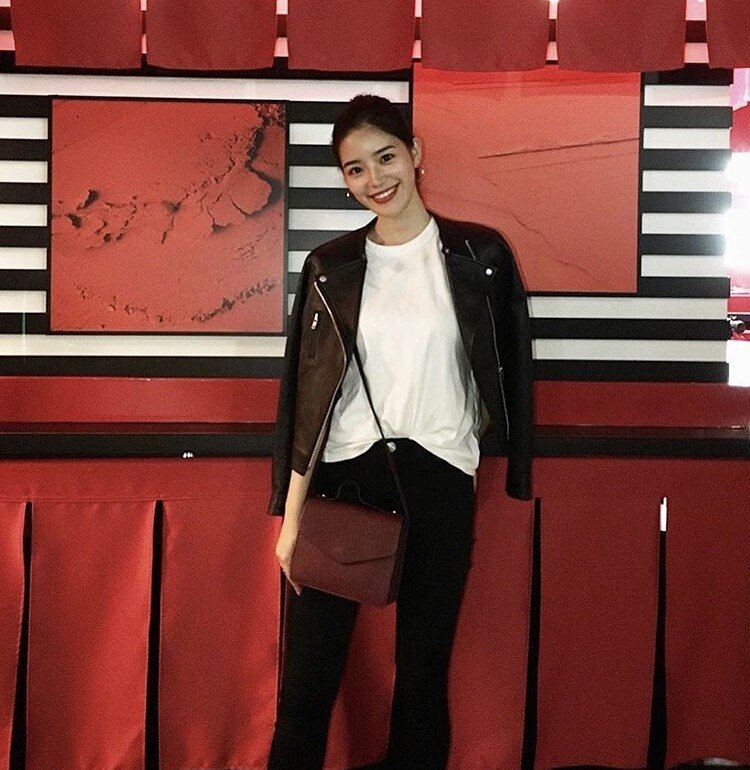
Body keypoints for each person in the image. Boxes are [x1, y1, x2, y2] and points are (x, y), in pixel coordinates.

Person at [267, 94, 533, 770]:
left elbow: (507, 366)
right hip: (345, 478)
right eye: (355, 169)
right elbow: (306, 399)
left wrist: (484, 447)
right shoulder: (331, 265)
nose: (374, 179)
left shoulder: (480, 256)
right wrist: (290, 521)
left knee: (421, 682)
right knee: (305, 689)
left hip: (440, 481)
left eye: (385, 157)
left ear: (415, 154)